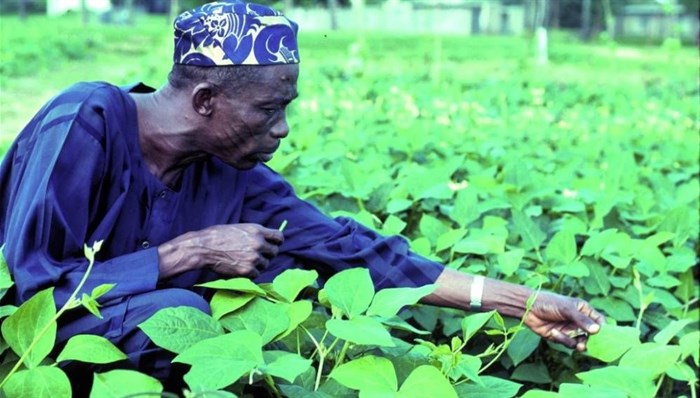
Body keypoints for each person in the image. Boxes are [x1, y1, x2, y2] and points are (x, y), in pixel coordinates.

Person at [0, 0, 604, 391]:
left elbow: (346, 247)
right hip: (29, 349)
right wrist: (188, 253)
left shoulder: (227, 166)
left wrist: (518, 302)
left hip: (109, 349)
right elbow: (38, 293)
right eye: (268, 109)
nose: (282, 129)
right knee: (178, 312)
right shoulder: (87, 119)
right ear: (206, 100)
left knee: (277, 266)